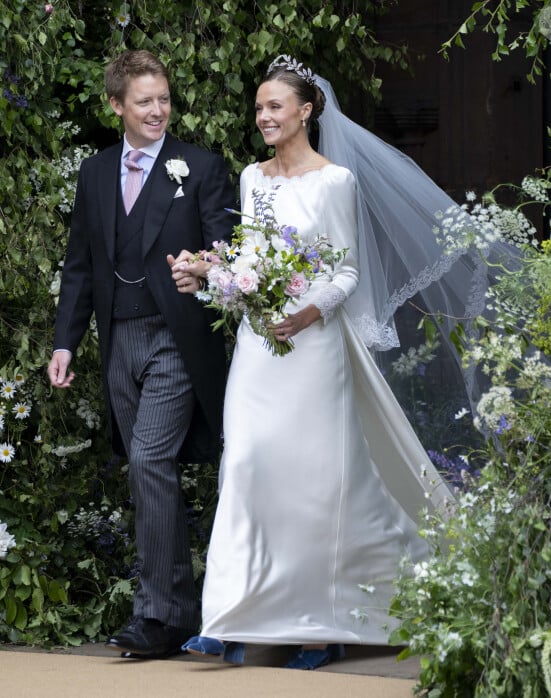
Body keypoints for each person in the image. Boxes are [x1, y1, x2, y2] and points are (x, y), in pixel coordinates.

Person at [169, 55, 457, 670]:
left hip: (312, 344)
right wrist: (211, 274)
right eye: (258, 108)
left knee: (315, 485)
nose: (263, 116)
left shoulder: (336, 182)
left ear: (305, 111)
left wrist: (308, 313)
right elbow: (251, 261)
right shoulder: (251, 177)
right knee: (245, 466)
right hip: (258, 346)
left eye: (274, 106)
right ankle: (228, 616)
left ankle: (325, 622)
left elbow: (347, 271)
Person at [47, 49, 235, 659]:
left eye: (164, 99)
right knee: (144, 465)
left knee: (151, 460)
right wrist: (64, 342)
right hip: (117, 341)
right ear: (116, 107)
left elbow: (228, 252)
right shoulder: (95, 173)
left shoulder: (201, 167)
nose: (158, 111)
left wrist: (204, 270)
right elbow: (80, 266)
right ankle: (170, 608)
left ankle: (162, 616)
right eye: (144, 101)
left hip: (177, 339)